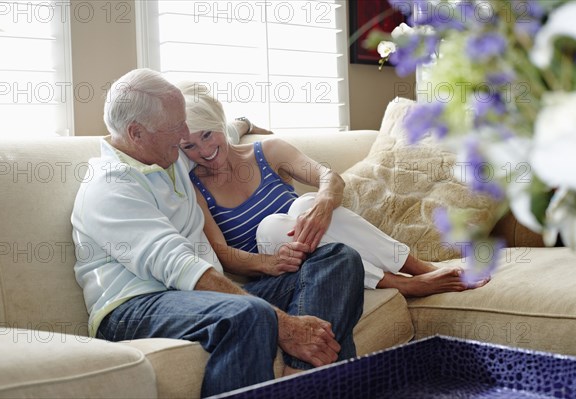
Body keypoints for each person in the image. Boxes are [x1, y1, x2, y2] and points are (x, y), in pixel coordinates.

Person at [71, 69, 365, 398]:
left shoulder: (167, 154)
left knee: (338, 259)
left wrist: (243, 123)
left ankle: (301, 380)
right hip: (132, 307)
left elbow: (221, 132)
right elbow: (179, 265)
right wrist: (284, 324)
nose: (185, 134)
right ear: (136, 133)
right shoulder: (109, 188)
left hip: (195, 296)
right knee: (251, 314)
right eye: (176, 127)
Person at [177, 82, 490, 296]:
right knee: (271, 226)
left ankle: (420, 267)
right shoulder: (195, 188)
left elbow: (330, 178)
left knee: (304, 206)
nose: (203, 151)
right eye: (189, 145)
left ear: (220, 124)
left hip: (324, 252)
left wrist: (324, 204)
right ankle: (403, 284)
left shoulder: (267, 151)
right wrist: (267, 263)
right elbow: (222, 253)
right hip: (277, 270)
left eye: (207, 135)